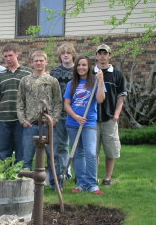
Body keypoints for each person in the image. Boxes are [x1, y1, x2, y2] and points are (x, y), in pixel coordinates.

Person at [17, 50, 62, 189]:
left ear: (46, 62)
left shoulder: (52, 81)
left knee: (53, 157)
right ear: (32, 63)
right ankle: (26, 186)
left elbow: (58, 101)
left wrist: (54, 119)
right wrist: (22, 119)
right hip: (31, 125)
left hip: (48, 125)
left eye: (41, 60)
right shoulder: (25, 80)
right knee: (27, 157)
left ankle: (56, 184)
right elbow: (20, 101)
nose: (38, 63)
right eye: (36, 60)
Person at [64, 55, 106, 194]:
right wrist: (75, 117)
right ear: (76, 68)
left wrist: (101, 81)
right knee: (78, 153)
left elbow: (100, 99)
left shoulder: (94, 81)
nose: (81, 67)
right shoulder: (72, 84)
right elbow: (66, 104)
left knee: (90, 153)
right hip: (73, 123)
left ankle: (92, 184)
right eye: (79, 65)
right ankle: (81, 183)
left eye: (84, 65)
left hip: (89, 123)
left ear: (89, 67)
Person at [0, 43, 31, 162]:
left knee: (21, 149)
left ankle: (20, 176)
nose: (8, 59)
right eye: (5, 56)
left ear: (17, 55)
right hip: (4, 118)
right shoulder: (1, 75)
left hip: (21, 119)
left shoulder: (28, 73)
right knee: (3, 149)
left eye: (10, 55)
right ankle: (4, 176)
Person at [94, 44, 126, 186]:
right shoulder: (91, 73)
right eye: (99, 53)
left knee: (110, 150)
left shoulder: (117, 74)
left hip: (109, 118)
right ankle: (92, 177)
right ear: (96, 56)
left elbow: (121, 96)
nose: (102, 56)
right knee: (92, 151)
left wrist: (116, 115)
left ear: (109, 55)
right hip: (92, 119)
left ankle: (107, 178)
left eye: (104, 53)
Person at [50, 43, 77, 179]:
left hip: (75, 114)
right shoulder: (54, 72)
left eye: (68, 53)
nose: (66, 55)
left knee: (77, 145)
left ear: (73, 55)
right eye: (63, 53)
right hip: (59, 115)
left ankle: (80, 174)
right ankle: (65, 172)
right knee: (61, 145)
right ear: (60, 56)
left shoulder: (78, 71)